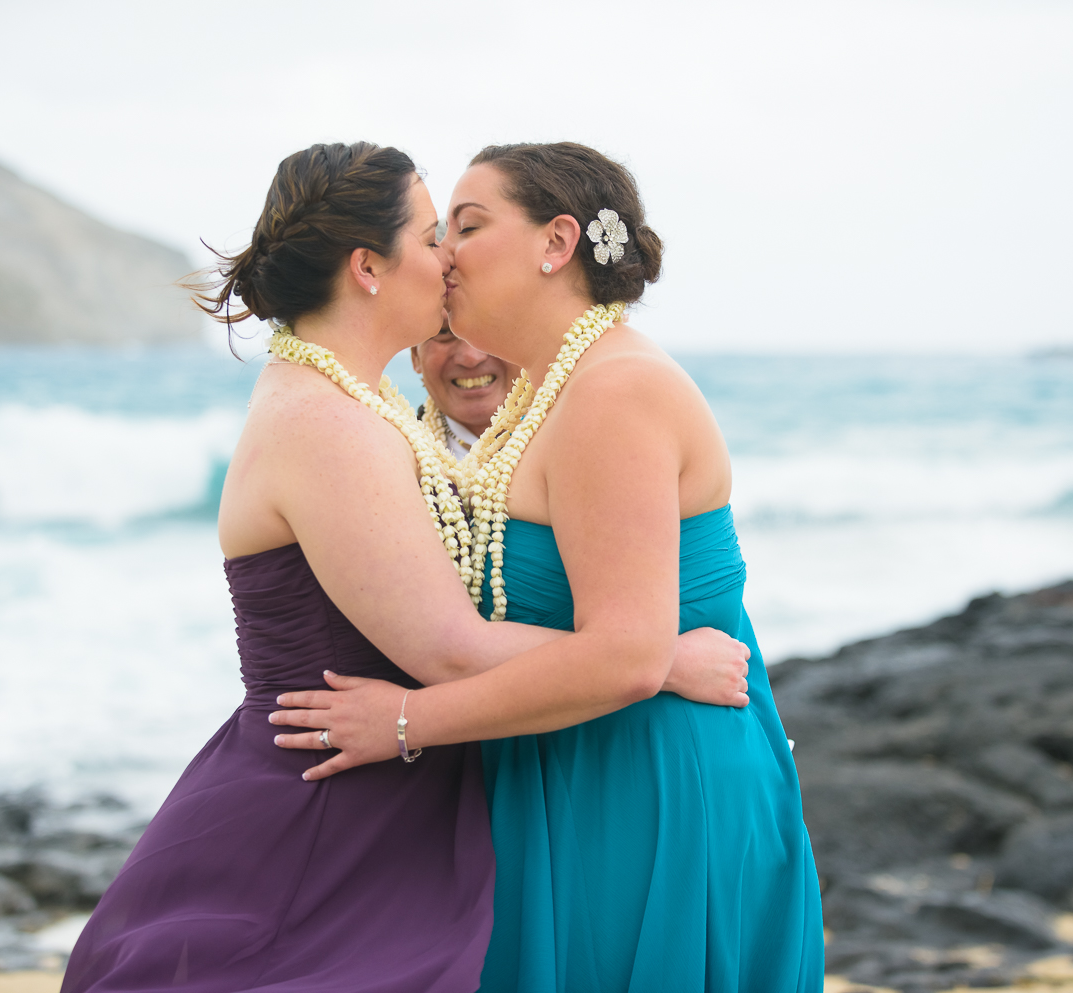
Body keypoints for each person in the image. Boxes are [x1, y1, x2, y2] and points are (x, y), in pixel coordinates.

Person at [58, 142, 750, 993]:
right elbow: (451, 649)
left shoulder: (363, 399)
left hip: (384, 792)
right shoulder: (327, 423)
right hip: (327, 806)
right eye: (433, 237)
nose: (448, 258)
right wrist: (660, 658)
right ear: (368, 269)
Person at [270, 143, 826, 993]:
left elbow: (629, 655)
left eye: (468, 224)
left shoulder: (616, 391)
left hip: (647, 786)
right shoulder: (546, 393)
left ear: (556, 242)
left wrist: (409, 720)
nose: (445, 252)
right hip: (575, 765)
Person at [411, 325, 514, 452]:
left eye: (493, 327)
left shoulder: (545, 446)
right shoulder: (393, 453)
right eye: (444, 332)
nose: (471, 358)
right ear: (415, 354)